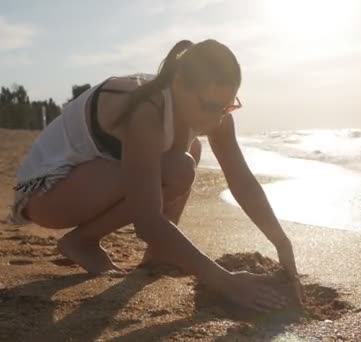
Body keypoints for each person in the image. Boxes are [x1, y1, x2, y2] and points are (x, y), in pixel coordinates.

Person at [6, 39, 302, 313]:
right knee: (179, 168)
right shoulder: (146, 110)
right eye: (210, 106)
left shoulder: (211, 114)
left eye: (227, 106)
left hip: (90, 180)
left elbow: (242, 182)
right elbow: (147, 220)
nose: (217, 118)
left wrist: (282, 243)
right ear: (179, 83)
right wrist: (226, 282)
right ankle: (82, 241)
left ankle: (159, 254)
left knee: (188, 152)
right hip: (46, 193)